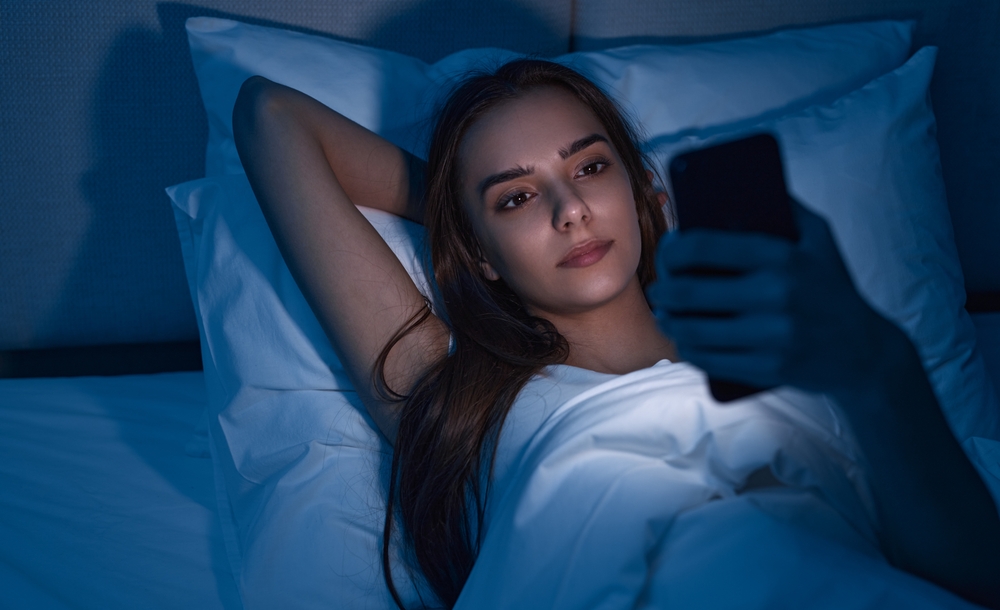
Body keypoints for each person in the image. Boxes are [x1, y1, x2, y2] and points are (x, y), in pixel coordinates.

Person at [231, 59, 1000, 609]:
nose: (570, 210)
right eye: (517, 198)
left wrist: (879, 370)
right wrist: (460, 219)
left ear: (645, 194)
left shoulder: (804, 357)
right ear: (479, 254)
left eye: (590, 169)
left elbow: (976, 578)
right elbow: (271, 117)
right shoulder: (459, 406)